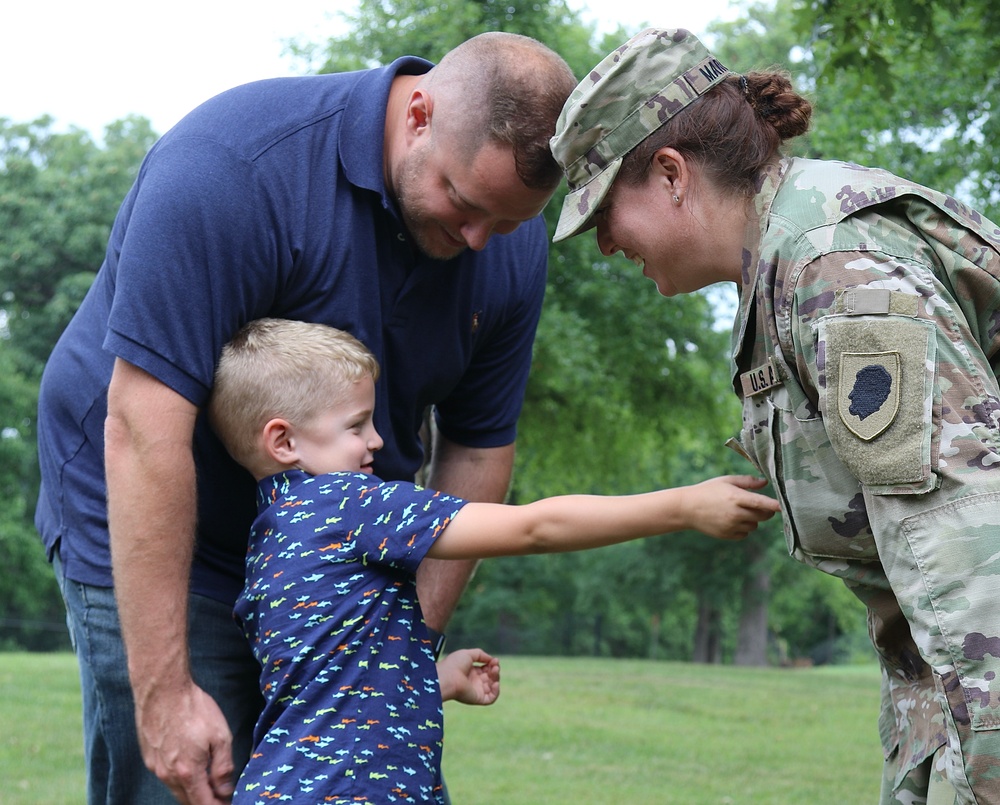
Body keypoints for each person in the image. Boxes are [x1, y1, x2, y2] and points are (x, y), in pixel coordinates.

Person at [35, 32, 580, 805]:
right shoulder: (234, 170)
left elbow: (477, 449)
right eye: (462, 201)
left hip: (335, 551)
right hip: (155, 510)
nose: (477, 241)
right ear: (418, 114)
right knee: (192, 773)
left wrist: (398, 649)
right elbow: (141, 426)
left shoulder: (504, 244)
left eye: (507, 221)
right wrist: (164, 696)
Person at [548, 26, 1000, 805]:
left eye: (604, 216)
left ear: (670, 174)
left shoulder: (835, 268)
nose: (607, 248)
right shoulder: (783, 267)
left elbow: (967, 564)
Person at [206, 317, 781, 804]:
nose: (377, 441)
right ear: (284, 443)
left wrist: (433, 680)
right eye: (356, 426)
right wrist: (682, 505)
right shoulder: (348, 503)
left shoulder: (271, 540)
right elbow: (535, 528)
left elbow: (330, 687)